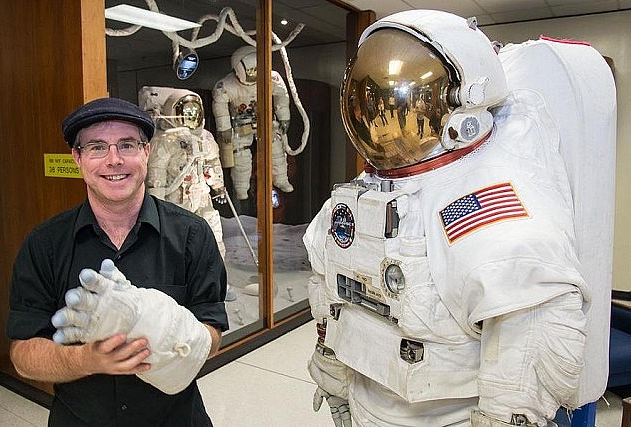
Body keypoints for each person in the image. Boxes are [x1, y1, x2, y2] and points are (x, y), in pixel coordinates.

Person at [304, 9, 615, 427]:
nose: (385, 125)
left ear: (464, 100)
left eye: (403, 103)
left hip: (450, 416)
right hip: (367, 399)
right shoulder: (361, 193)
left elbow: (527, 342)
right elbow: (332, 297)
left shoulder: (482, 202)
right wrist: (333, 375)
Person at [6, 97, 229, 426]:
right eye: (97, 147)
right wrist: (86, 359)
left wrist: (152, 323)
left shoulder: (193, 235)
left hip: (176, 418)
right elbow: (23, 355)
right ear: (78, 159)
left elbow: (211, 336)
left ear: (147, 152)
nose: (114, 160)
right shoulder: (44, 245)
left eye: (127, 145)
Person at [139, 86, 237, 301]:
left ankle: (218, 282)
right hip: (176, 203)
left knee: (215, 240)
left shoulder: (205, 138)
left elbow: (211, 164)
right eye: (187, 112)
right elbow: (156, 175)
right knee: (179, 246)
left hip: (201, 199)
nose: (192, 117)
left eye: (195, 112)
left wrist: (218, 186)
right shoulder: (162, 141)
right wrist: (157, 206)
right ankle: (182, 288)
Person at [212, 45, 293, 200]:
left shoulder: (272, 78)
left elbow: (281, 96)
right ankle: (241, 188)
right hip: (241, 123)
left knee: (276, 149)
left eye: (257, 70)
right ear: (238, 69)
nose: (254, 75)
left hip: (266, 120)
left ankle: (281, 179)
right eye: (251, 71)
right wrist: (224, 129)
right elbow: (220, 108)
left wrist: (284, 116)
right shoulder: (225, 85)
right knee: (240, 154)